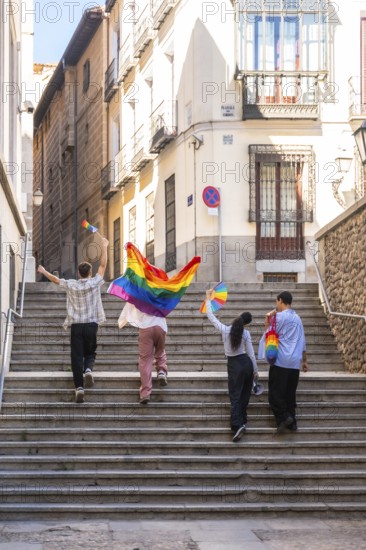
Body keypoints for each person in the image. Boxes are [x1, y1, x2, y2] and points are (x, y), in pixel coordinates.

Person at [37, 237, 109, 403]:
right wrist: (104, 246)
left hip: (76, 326)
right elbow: (103, 265)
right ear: (90, 273)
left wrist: (43, 271)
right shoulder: (94, 282)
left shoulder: (72, 284)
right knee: (90, 352)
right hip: (91, 324)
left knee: (76, 356)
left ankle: (79, 387)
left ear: (78, 273)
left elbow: (56, 280)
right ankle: (89, 369)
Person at [204, 289, 258, 443]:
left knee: (235, 395)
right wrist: (255, 371)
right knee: (244, 395)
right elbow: (252, 354)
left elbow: (211, 317)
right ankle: (243, 420)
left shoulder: (225, 330)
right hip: (246, 364)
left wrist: (208, 299)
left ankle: (237, 425)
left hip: (235, 366)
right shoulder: (246, 334)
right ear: (246, 323)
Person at [260, 290, 308, 434]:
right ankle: (291, 423)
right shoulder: (298, 318)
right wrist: (304, 361)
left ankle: (285, 417)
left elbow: (269, 334)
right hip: (294, 363)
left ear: (280, 301)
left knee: (275, 394)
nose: (277, 305)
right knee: (290, 394)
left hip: (281, 361)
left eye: (277, 302)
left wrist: (267, 318)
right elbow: (303, 342)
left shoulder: (278, 317)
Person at [118, 302, 168, 404]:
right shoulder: (161, 290)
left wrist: (122, 321)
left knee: (145, 359)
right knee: (160, 350)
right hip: (160, 325)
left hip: (146, 327)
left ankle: (145, 393)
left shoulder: (140, 294)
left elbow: (130, 305)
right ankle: (162, 371)